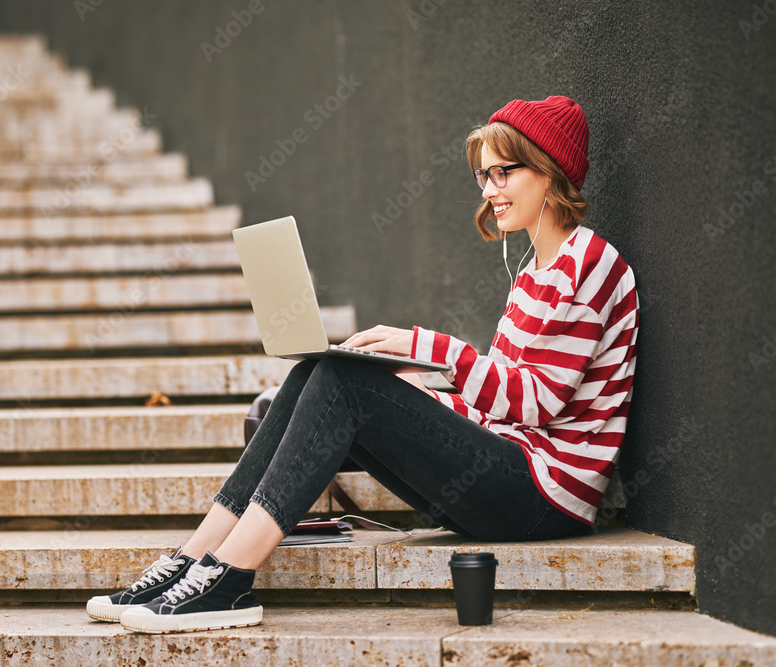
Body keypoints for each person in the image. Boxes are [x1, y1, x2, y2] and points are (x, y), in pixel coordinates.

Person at [86, 95, 639, 635]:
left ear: (548, 171)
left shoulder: (590, 262)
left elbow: (537, 404)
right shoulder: (535, 270)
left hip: (545, 497)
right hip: (510, 476)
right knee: (320, 372)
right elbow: (500, 404)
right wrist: (413, 392)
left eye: (503, 173)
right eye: (483, 176)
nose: (490, 189)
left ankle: (226, 579)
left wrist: (426, 346)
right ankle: (193, 558)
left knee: (344, 383)